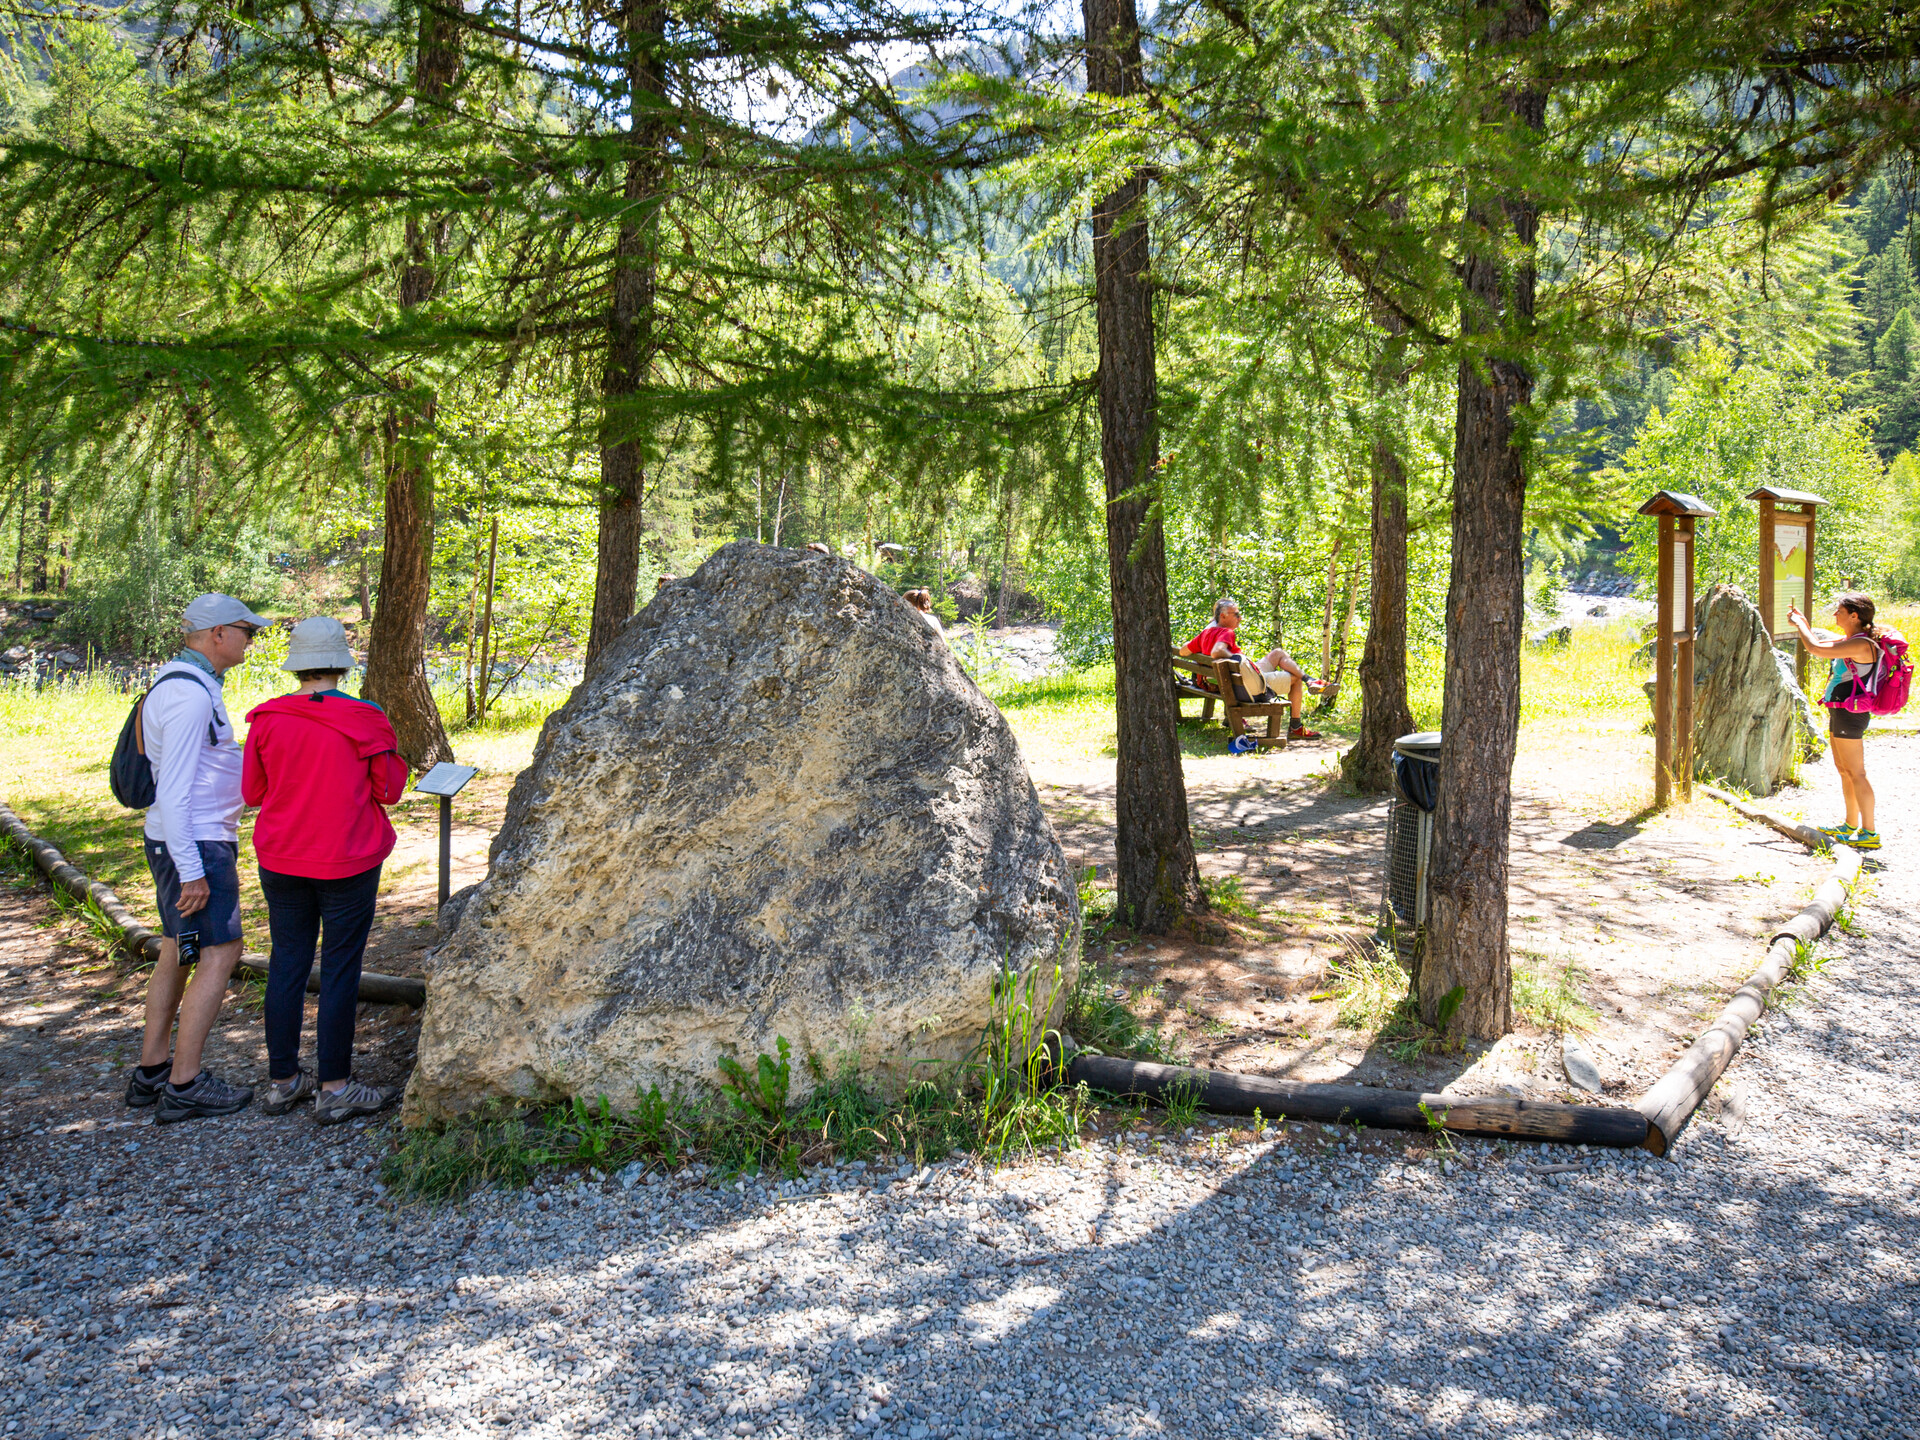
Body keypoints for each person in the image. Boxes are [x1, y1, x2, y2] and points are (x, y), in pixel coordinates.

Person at [242, 617, 412, 1123]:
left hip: (282, 856)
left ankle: (283, 1081)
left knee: (288, 962)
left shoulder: (268, 719)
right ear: (342, 662)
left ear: (297, 665)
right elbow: (389, 790)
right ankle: (335, 1087)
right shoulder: (366, 719)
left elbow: (253, 793)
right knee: (341, 967)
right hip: (347, 858)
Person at [126, 593, 266, 1124]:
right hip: (195, 844)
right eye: (245, 630)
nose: (250, 639)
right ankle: (184, 1084)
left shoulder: (184, 683)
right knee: (221, 951)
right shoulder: (188, 696)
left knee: (178, 948)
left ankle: (153, 1070)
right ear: (216, 635)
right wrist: (193, 872)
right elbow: (175, 789)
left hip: (179, 840)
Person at [1789, 592, 1890, 851]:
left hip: (1851, 714)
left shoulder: (1862, 645)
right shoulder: (1851, 639)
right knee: (1844, 770)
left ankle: (1869, 832)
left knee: (1856, 772)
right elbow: (1819, 641)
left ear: (1854, 616)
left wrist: (1801, 625)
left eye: (1839, 611)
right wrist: (1803, 622)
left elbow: (1814, 648)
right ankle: (1849, 824)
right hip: (1840, 710)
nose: (1835, 615)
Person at [1183, 598, 1321, 741]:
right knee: (1295, 679)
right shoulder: (1226, 633)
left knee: (1278, 653)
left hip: (1238, 681)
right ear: (1223, 616)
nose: (1240, 618)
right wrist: (1239, 660)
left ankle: (1309, 679)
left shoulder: (1205, 633)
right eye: (1236, 614)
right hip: (1248, 688)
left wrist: (1195, 645)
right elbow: (1217, 652)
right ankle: (1296, 727)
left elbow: (1182, 651)